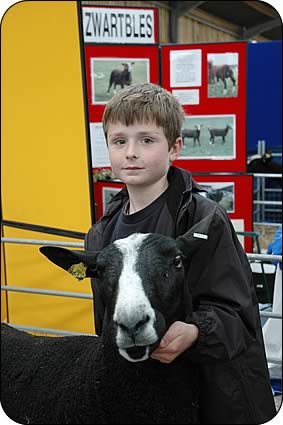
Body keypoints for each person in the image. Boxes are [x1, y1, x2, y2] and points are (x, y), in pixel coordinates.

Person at [85, 83, 276, 424]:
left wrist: (196, 331)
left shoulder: (203, 219)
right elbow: (106, 319)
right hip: (139, 398)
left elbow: (237, 311)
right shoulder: (101, 234)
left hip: (206, 395)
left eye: (146, 140)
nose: (130, 152)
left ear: (174, 148)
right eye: (119, 141)